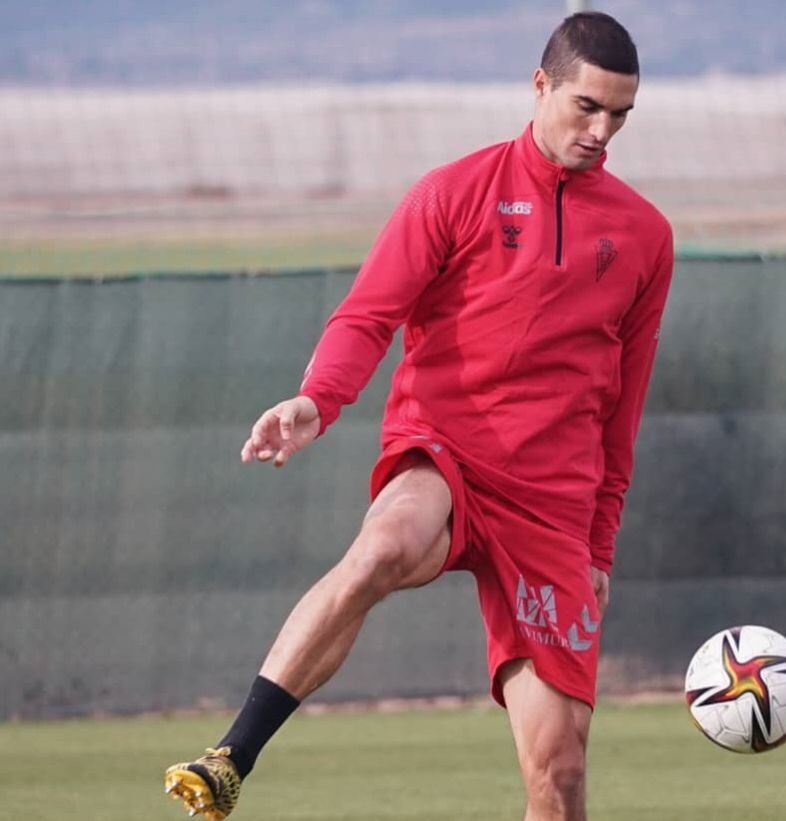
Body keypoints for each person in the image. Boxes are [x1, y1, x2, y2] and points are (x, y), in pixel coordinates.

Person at [163, 11, 673, 821]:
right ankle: (232, 754)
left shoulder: (646, 235)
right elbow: (367, 316)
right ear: (540, 86)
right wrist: (316, 401)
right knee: (386, 543)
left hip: (553, 507)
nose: (602, 130)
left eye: (621, 114)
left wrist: (600, 544)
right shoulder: (453, 192)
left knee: (561, 777)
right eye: (587, 107)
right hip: (450, 455)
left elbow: (624, 408)